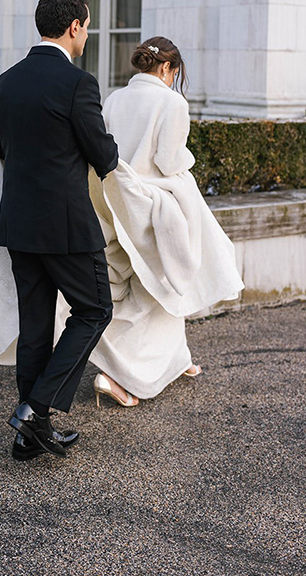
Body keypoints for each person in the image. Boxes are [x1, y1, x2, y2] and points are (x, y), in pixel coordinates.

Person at [81, 37, 244, 407]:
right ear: (168, 68)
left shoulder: (115, 98)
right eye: (174, 72)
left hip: (115, 206)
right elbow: (169, 161)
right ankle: (117, 375)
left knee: (145, 289)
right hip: (154, 208)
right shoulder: (172, 102)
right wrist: (188, 162)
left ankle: (175, 360)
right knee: (159, 291)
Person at [0, 0, 119, 461]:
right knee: (95, 309)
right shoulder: (78, 83)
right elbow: (103, 155)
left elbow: (5, 150)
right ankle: (36, 409)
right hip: (66, 226)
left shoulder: (8, 80)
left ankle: (29, 436)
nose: (87, 35)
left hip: (19, 222)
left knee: (35, 325)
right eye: (87, 26)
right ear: (74, 27)